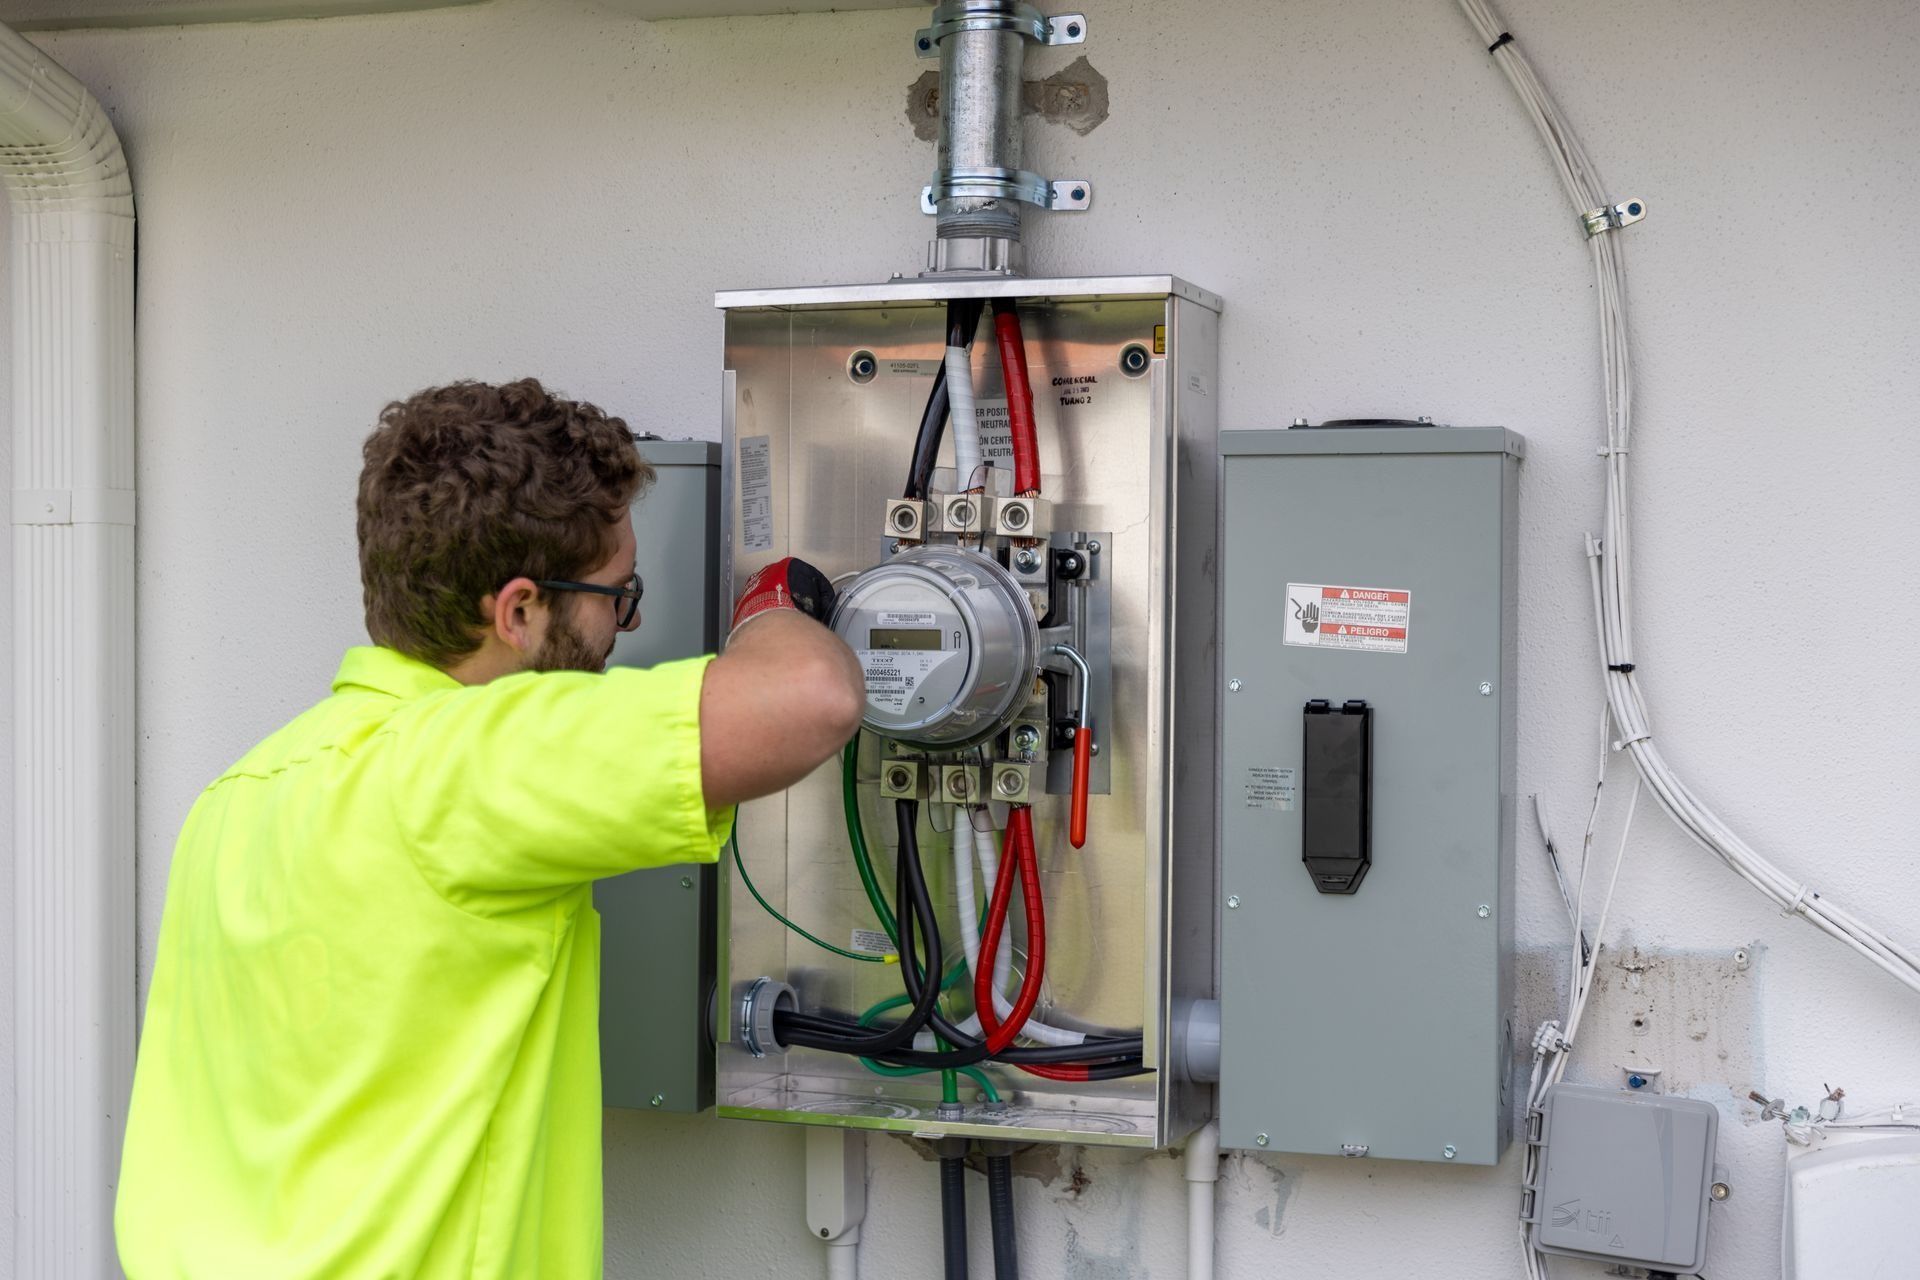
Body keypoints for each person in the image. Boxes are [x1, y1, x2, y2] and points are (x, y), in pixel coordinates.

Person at [114, 378, 862, 1277]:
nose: (630, 623)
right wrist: (774, 605)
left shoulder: (240, 795)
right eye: (616, 596)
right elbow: (810, 700)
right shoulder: (468, 768)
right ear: (517, 612)